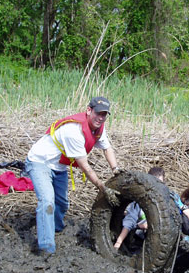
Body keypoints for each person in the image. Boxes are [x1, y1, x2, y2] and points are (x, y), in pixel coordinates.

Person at [25, 96, 120, 255]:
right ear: (89, 110)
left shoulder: (99, 128)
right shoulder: (73, 131)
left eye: (104, 115)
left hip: (59, 166)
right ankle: (46, 247)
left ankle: (54, 227)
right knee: (47, 200)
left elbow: (107, 148)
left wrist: (116, 169)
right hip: (40, 162)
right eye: (98, 113)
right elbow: (85, 167)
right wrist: (102, 187)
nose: (101, 118)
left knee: (61, 203)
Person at [114, 167, 165, 250]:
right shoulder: (139, 203)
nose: (157, 188)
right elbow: (129, 221)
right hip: (139, 236)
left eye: (160, 183)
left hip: (159, 238)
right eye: (155, 183)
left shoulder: (166, 201)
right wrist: (118, 242)